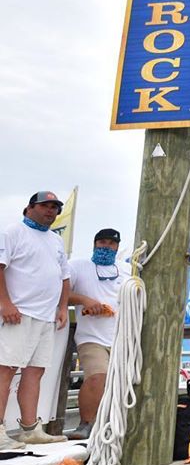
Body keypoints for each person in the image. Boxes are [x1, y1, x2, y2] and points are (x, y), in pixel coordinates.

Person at [0, 191, 70, 448]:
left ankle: (30, 427)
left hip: (46, 316)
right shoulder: (12, 232)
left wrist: (63, 307)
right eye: (45, 206)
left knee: (35, 371)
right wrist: (5, 303)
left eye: (55, 208)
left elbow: (64, 276)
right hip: (18, 313)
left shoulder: (55, 240)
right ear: (29, 208)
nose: (50, 211)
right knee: (5, 369)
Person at [66, 228, 128, 440]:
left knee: (123, 384)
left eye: (111, 243)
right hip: (91, 336)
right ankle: (86, 423)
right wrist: (85, 301)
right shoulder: (77, 266)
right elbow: (60, 294)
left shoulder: (128, 269)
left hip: (124, 337)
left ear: (117, 246)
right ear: (94, 243)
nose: (106, 246)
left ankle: (116, 426)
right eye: (102, 242)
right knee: (96, 377)